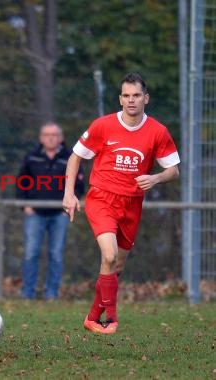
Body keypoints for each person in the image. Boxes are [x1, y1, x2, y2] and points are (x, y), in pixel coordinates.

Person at [62, 72, 180, 334]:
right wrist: (69, 193)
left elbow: (174, 170)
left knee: (116, 265)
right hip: (102, 197)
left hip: (132, 204)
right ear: (120, 99)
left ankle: (92, 317)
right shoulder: (103, 126)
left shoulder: (158, 131)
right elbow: (75, 157)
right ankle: (111, 318)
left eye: (136, 95)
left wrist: (156, 178)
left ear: (145, 98)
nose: (131, 100)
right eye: (126, 96)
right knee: (109, 254)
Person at [16, 122, 85, 300]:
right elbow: (21, 182)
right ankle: (27, 293)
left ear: (60, 138)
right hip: (35, 213)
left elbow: (79, 186)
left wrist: (67, 207)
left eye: (54, 134)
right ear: (41, 138)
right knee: (31, 253)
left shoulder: (70, 158)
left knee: (56, 254)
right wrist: (25, 205)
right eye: (47, 134)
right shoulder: (31, 157)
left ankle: (52, 294)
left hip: (59, 214)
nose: (51, 138)